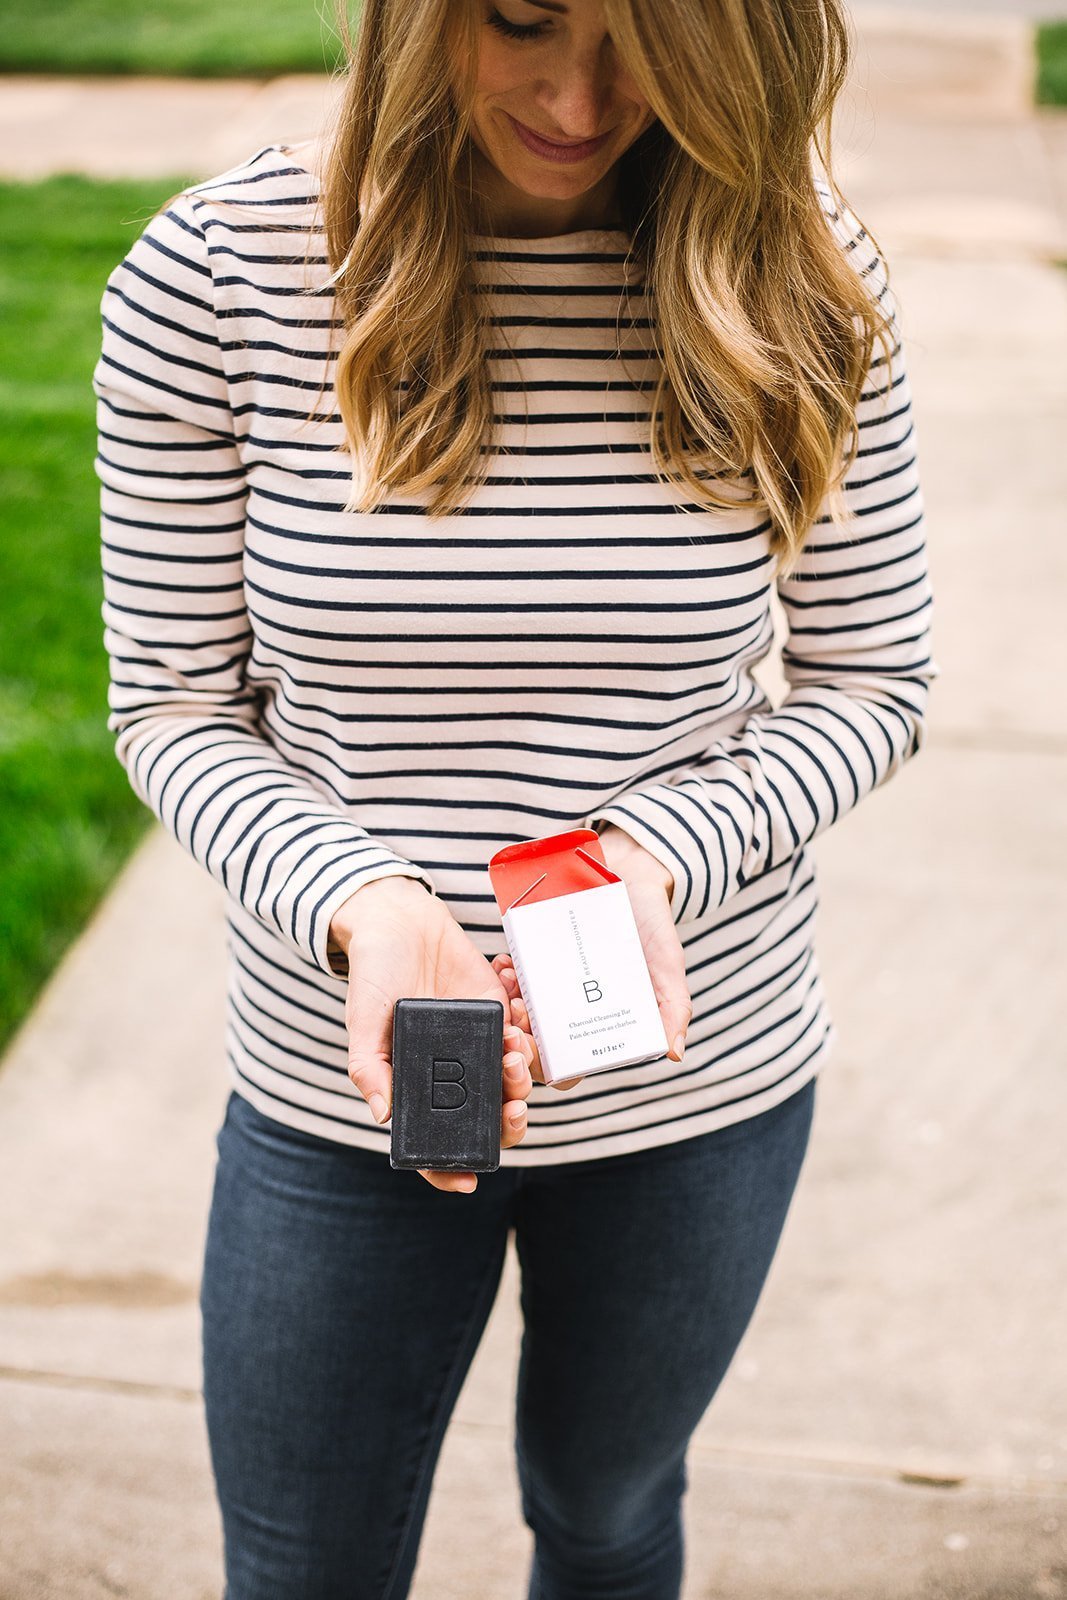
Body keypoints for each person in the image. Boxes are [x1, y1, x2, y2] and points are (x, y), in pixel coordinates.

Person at [93, 0, 936, 1593]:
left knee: (608, 1516)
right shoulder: (222, 277)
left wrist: (652, 856)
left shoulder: (801, 275)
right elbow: (175, 710)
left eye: (646, 38)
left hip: (693, 1095)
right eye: (524, 18)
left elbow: (872, 680)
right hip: (339, 1092)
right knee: (303, 1567)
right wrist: (369, 905)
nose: (577, 94)